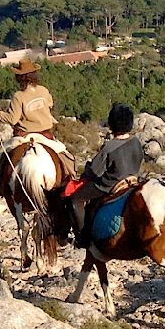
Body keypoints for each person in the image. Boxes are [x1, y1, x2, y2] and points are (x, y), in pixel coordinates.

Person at [67, 103, 145, 248]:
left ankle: (83, 237)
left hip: (109, 185)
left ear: (112, 124)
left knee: (76, 199)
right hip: (132, 179)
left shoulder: (110, 147)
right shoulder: (136, 142)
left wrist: (87, 167)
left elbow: (95, 172)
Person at [0, 59, 66, 195]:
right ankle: (70, 177)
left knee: (0, 158)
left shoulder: (18, 96)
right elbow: (50, 104)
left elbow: (12, 118)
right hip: (45, 135)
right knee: (66, 156)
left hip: (24, 136)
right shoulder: (43, 90)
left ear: (19, 77)